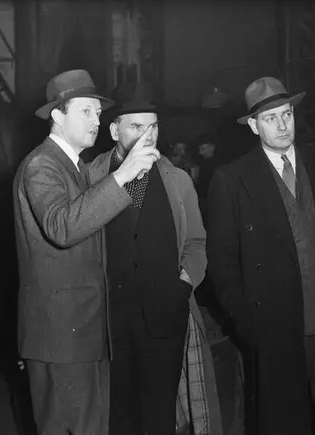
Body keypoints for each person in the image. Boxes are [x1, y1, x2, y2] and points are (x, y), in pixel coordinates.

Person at [206, 77, 315, 435]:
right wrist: (247, 325)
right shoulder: (232, 180)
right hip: (275, 329)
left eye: (287, 114)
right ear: (253, 125)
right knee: (286, 422)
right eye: (271, 118)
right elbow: (222, 265)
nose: (282, 125)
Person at [13, 69, 161, 435]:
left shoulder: (75, 167)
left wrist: (133, 176)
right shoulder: (42, 165)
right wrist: (123, 175)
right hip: (62, 339)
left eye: (98, 112)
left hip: (83, 333)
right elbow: (62, 227)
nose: (96, 120)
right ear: (57, 114)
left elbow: (95, 222)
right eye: (85, 111)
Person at [88, 82, 222, 435]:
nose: (147, 136)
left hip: (165, 318)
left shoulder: (178, 181)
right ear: (114, 131)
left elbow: (196, 243)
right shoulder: (89, 177)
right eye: (136, 126)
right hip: (108, 324)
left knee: (160, 417)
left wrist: (183, 285)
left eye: (153, 126)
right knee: (116, 418)